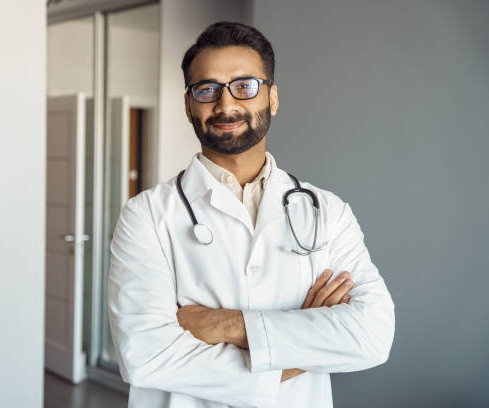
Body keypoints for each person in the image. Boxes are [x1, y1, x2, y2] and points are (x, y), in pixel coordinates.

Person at [108, 21, 395, 408]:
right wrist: (306, 337)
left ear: (272, 98)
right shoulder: (146, 215)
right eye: (206, 89)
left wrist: (225, 324)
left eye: (244, 86)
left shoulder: (327, 211)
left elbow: (372, 336)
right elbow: (145, 357)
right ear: (188, 104)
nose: (226, 105)